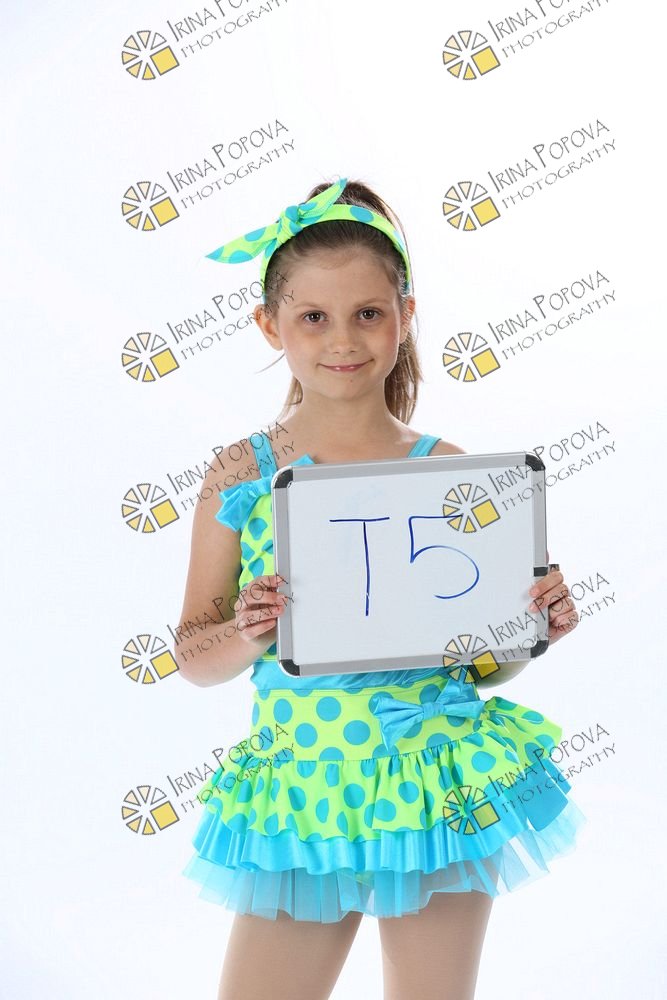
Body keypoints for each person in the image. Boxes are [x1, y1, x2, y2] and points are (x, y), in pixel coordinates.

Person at [177, 177, 585, 1000]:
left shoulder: (449, 472)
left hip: (435, 782)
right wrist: (251, 632)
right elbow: (192, 654)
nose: (343, 339)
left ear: (404, 315)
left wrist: (528, 630)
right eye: (313, 317)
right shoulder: (241, 472)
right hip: (302, 789)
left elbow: (481, 665)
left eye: (367, 312)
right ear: (270, 325)